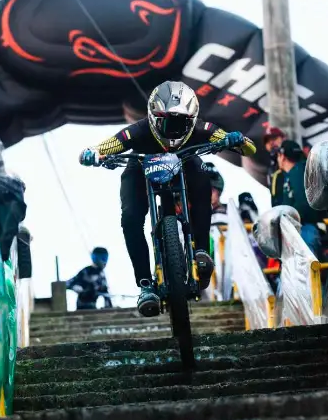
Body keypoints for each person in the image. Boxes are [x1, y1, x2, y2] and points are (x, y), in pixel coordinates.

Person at [79, 80, 255, 316]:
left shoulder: (202, 128)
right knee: (130, 217)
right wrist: (94, 153)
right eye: (167, 122)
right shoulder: (138, 130)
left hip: (184, 162)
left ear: (192, 120)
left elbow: (249, 148)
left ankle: (201, 251)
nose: (173, 130)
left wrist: (237, 140)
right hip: (140, 167)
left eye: (181, 124)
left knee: (202, 178)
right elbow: (110, 144)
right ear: (153, 117)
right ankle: (144, 284)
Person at [276, 140, 326, 256]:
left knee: (305, 270)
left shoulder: (298, 172)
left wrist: (285, 220)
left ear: (282, 156)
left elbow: (304, 204)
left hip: (304, 230)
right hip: (302, 230)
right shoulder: (298, 172)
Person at [264, 127, 289, 207]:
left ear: (283, 138)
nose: (271, 142)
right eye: (267, 141)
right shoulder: (271, 168)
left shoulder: (293, 158)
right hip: (279, 211)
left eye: (274, 138)